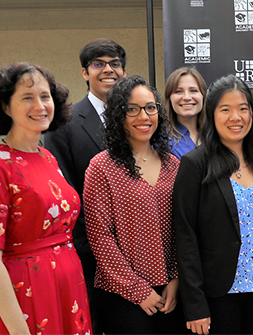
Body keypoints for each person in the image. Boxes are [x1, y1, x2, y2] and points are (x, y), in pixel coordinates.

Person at [0, 63, 91, 335]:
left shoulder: (47, 157)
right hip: (22, 294)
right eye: (27, 98)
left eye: (45, 96)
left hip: (66, 287)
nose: (40, 105)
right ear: (5, 107)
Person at [173, 75, 253, 335]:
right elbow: (185, 235)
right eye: (225, 109)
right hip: (217, 293)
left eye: (243, 109)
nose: (236, 117)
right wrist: (194, 304)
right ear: (212, 114)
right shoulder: (195, 164)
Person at [82, 75, 187, 334]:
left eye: (151, 108)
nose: (144, 116)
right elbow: (99, 236)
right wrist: (137, 290)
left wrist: (176, 278)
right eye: (133, 109)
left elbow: (182, 228)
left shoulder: (173, 164)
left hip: (171, 292)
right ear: (118, 116)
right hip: (122, 294)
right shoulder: (101, 166)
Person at [43, 38, 127, 334]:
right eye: (98, 64)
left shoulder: (139, 119)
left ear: (124, 72)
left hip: (138, 252)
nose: (108, 70)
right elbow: (63, 189)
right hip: (88, 253)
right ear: (84, 73)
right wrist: (89, 246)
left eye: (114, 64)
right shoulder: (64, 123)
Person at [164, 67, 207, 159]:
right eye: (179, 91)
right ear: (169, 98)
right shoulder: (162, 140)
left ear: (203, 95)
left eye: (193, 90)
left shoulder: (216, 135)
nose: (187, 97)